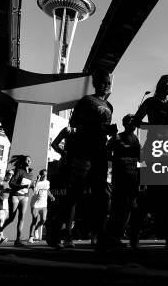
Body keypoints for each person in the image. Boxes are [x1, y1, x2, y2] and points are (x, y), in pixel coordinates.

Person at [46, 70, 118, 250]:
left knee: (102, 195)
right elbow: (75, 125)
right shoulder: (86, 101)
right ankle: (55, 231)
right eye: (102, 82)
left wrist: (108, 133)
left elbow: (104, 129)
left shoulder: (109, 105)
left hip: (100, 154)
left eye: (108, 82)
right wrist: (99, 129)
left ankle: (100, 235)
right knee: (74, 194)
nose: (106, 85)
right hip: (84, 153)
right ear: (96, 83)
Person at [131, 75, 168, 245]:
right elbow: (136, 121)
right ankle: (162, 232)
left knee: (159, 192)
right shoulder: (150, 102)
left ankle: (150, 230)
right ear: (160, 84)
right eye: (166, 82)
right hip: (153, 149)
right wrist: (153, 127)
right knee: (157, 191)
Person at [106, 114, 141, 249]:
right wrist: (118, 160)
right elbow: (108, 153)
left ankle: (122, 235)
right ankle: (113, 236)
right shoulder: (117, 137)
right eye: (131, 121)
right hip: (120, 176)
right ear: (125, 123)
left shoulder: (135, 138)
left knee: (131, 206)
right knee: (119, 207)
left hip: (132, 176)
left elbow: (139, 158)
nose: (134, 123)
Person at [0, 155, 35, 246]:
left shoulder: (31, 173)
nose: (29, 161)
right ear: (23, 162)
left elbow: (29, 185)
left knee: (22, 218)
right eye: (27, 160)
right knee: (11, 218)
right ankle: (0, 230)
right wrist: (23, 186)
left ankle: (18, 240)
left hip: (25, 197)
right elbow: (12, 183)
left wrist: (33, 186)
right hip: (15, 196)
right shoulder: (19, 170)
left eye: (30, 160)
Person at [28, 169, 55, 243]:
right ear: (40, 175)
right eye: (43, 174)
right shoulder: (35, 182)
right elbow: (35, 191)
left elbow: (47, 190)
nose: (45, 176)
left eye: (46, 175)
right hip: (35, 205)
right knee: (34, 220)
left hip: (44, 205)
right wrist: (37, 180)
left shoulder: (47, 182)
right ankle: (31, 237)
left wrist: (51, 196)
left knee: (43, 220)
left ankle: (37, 228)